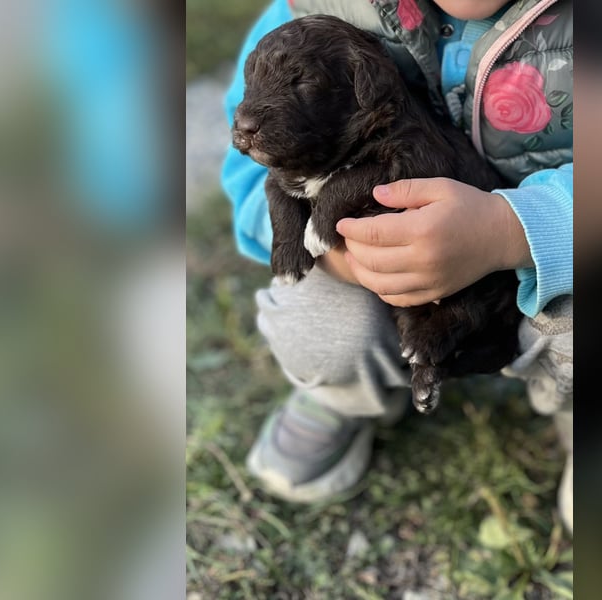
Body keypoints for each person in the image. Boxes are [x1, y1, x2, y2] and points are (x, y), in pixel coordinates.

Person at [221, 0, 574, 531]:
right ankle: (344, 394)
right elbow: (251, 168)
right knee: (316, 325)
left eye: (302, 84)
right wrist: (337, 256)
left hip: (565, 255)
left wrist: (514, 231)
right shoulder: (313, 7)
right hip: (365, 260)